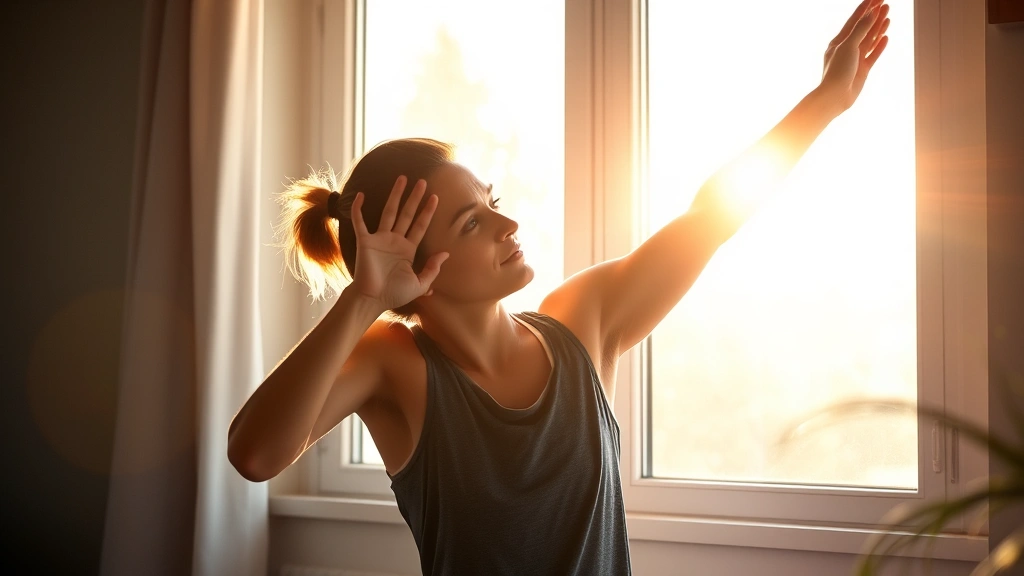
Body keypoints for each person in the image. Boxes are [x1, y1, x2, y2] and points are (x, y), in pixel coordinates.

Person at [228, 1, 890, 573]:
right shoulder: (393, 366)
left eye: (493, 200)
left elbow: (710, 217)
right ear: (420, 268)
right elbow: (256, 456)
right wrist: (363, 298)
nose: (508, 222)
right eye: (473, 221)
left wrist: (825, 102)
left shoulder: (583, 320)